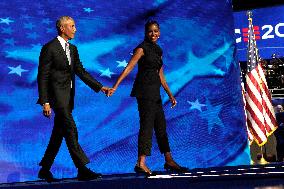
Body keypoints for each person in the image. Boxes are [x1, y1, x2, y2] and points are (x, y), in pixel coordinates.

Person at [107, 20, 188, 175]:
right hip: (144, 92)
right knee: (147, 126)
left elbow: (161, 76)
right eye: (150, 31)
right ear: (146, 33)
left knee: (161, 127)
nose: (153, 34)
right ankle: (140, 163)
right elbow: (129, 67)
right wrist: (116, 86)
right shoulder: (141, 48)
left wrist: (170, 95)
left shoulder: (158, 50)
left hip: (155, 93)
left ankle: (169, 160)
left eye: (156, 31)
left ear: (159, 32)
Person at [37, 16, 109, 182]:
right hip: (56, 98)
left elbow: (81, 72)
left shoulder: (73, 49)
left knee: (59, 133)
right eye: (72, 26)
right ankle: (82, 168)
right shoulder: (49, 48)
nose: (75, 29)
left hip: (68, 98)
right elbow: (43, 76)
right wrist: (45, 101)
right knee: (70, 129)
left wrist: (100, 87)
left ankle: (45, 169)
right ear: (63, 28)